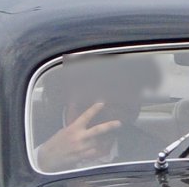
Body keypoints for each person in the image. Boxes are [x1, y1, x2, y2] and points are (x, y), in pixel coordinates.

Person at [32, 55, 162, 173]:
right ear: (68, 88)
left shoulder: (153, 151)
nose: (125, 98)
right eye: (111, 85)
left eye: (134, 88)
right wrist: (42, 161)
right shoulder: (28, 134)